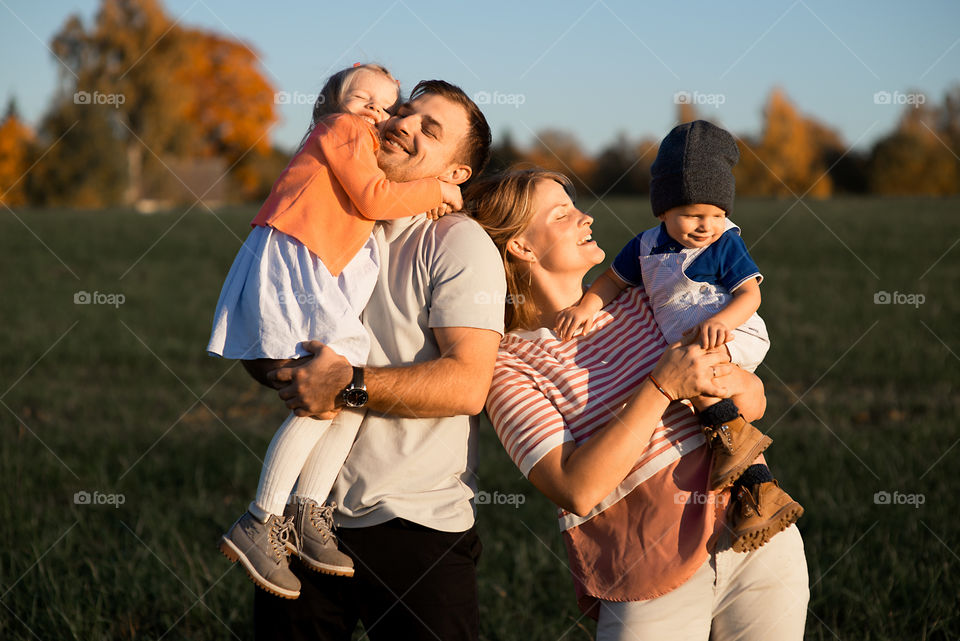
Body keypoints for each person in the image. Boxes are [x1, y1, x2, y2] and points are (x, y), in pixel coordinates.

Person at [471, 168, 809, 640]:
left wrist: (725, 377)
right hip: (647, 574)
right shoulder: (509, 366)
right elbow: (576, 488)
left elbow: (753, 401)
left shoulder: (646, 298)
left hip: (755, 532)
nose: (585, 217)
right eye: (563, 213)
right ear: (523, 248)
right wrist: (661, 387)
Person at [242, 80, 502, 640]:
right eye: (404, 113)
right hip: (302, 523)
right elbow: (268, 352)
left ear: (454, 175)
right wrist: (284, 366)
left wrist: (344, 385)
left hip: (413, 525)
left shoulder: (455, 242)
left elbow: (466, 385)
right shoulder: (333, 212)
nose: (403, 124)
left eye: (429, 130)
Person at [208, 63, 465, 599]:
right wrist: (435, 190)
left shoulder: (359, 142)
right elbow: (373, 199)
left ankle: (307, 513)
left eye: (385, 104)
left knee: (351, 392)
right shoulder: (340, 130)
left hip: (310, 259)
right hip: (299, 256)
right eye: (361, 98)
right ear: (331, 102)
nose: (376, 111)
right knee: (341, 373)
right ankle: (261, 519)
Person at [553, 121, 801, 544]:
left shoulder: (724, 244)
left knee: (694, 372)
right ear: (663, 209)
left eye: (718, 214)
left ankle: (738, 451)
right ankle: (759, 491)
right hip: (693, 345)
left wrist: (723, 322)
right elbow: (612, 281)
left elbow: (750, 296)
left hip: (733, 332)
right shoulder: (644, 247)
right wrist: (586, 305)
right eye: (693, 214)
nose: (706, 225)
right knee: (698, 388)